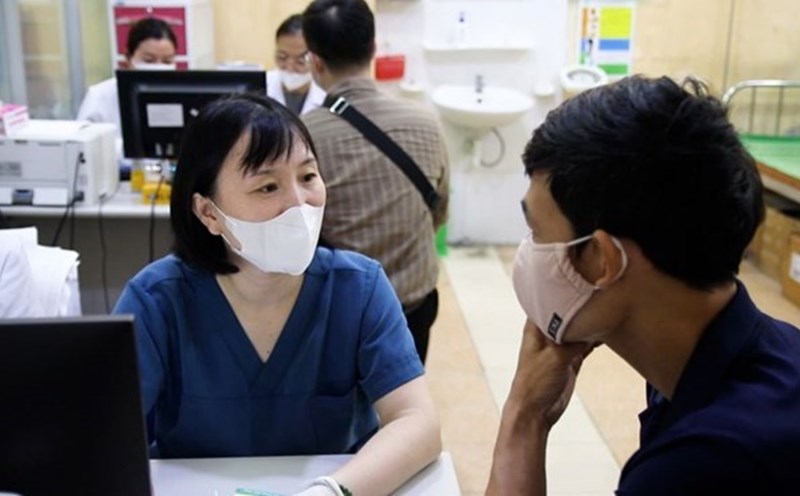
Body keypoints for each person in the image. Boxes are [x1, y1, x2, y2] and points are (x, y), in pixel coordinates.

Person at [113, 94, 441, 496]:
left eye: (307, 177)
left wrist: (330, 492)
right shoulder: (156, 302)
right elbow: (103, 439)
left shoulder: (359, 289)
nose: (299, 204)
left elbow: (417, 421)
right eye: (268, 186)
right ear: (208, 213)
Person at [487, 75, 800, 495]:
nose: (529, 252)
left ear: (603, 260)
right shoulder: (760, 355)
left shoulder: (703, 465)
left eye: (538, 233)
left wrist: (523, 419)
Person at [301, 0, 450, 364]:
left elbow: (298, 230)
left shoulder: (303, 135)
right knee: (405, 401)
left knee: (347, 411)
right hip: (414, 304)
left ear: (315, 61)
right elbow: (439, 212)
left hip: (342, 310)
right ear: (373, 48)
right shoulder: (426, 124)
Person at [76, 17, 177, 139]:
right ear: (128, 58)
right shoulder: (100, 96)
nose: (158, 67)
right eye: (149, 60)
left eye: (167, 61)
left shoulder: (182, 92)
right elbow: (82, 147)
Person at [267, 14, 326, 116]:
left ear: (317, 58)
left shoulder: (326, 94)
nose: (290, 68)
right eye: (282, 57)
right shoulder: (261, 87)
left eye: (301, 61)